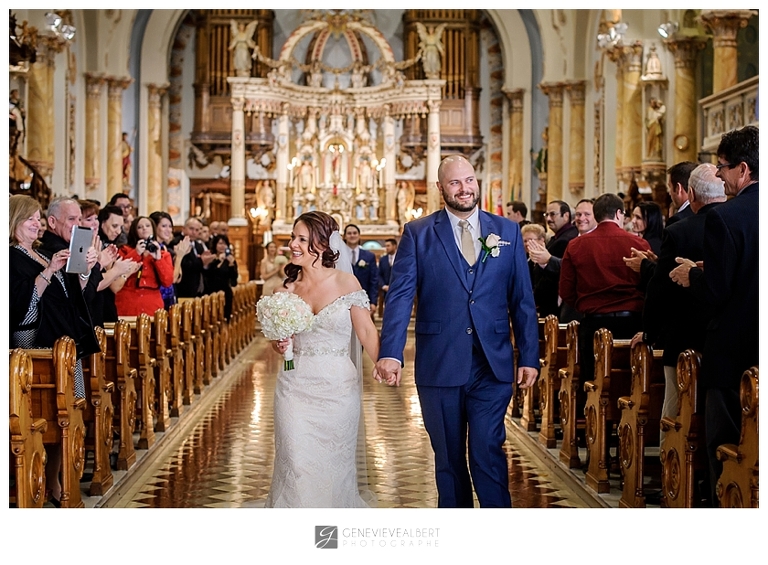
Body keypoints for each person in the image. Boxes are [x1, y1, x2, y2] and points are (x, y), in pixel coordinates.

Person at [375, 154, 539, 508]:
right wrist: (390, 351)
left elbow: (522, 299)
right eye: (455, 183)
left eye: (469, 180)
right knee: (449, 460)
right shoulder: (418, 234)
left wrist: (529, 355)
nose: (464, 189)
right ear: (440, 188)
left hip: (492, 364)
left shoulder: (506, 231)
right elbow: (401, 296)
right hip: (440, 363)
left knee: (487, 451)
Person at [669, 124, 759, 505]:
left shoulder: (726, 217)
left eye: (722, 166)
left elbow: (718, 292)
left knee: (726, 444)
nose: (718, 174)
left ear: (743, 169)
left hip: (733, 351)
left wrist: (694, 274)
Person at [266, 211, 379, 508]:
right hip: (295, 385)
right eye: (293, 237)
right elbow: (278, 342)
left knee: (334, 466)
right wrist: (280, 344)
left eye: (302, 239)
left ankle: (328, 538)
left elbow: (366, 330)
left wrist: (385, 363)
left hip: (338, 387)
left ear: (323, 245)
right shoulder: (285, 290)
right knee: (296, 461)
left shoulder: (346, 283)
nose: (293, 244)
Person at [10, 195, 100, 507]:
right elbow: (21, 307)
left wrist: (83, 271)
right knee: (52, 415)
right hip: (37, 345)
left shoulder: (36, 253)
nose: (36, 224)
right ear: (14, 222)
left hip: (64, 343)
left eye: (38, 218)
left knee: (72, 410)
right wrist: (49, 271)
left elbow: (70, 295)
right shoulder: (12, 257)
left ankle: (56, 476)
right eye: (30, 219)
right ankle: (46, 478)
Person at [631, 163, 726, 457]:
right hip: (723, 334)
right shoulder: (737, 222)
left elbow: (661, 289)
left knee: (676, 405)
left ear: (692, 193)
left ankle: (671, 469)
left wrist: (649, 330)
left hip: (682, 333)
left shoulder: (680, 230)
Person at [559, 193, 650, 384]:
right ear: (619, 214)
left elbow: (566, 290)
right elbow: (649, 284)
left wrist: (586, 303)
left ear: (597, 215)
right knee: (629, 382)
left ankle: (592, 414)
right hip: (632, 324)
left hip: (594, 322)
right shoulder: (638, 244)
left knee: (594, 383)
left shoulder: (576, 245)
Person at [114, 216, 174, 316]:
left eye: (147, 226)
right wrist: (136, 253)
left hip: (152, 304)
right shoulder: (124, 250)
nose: (144, 228)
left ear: (153, 229)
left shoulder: (163, 254)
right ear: (134, 231)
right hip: (127, 302)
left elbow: (167, 281)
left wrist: (158, 259)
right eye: (139, 227)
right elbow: (118, 273)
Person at [150, 210, 190, 310]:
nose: (168, 230)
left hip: (169, 296)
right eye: (164, 226)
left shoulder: (164, 247)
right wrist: (180, 256)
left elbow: (178, 277)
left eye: (170, 226)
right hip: (158, 297)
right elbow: (172, 278)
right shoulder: (153, 249)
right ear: (154, 227)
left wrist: (178, 255)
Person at [171, 217, 215, 298]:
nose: (194, 232)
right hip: (183, 288)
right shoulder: (177, 243)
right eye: (191, 229)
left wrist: (206, 263)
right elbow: (183, 265)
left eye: (197, 230)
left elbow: (201, 267)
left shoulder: (198, 246)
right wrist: (201, 261)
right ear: (183, 229)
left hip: (197, 288)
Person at [343, 224, 378, 316]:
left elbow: (373, 280)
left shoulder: (369, 256)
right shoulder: (339, 256)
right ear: (345, 236)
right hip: (342, 300)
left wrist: (373, 302)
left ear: (359, 235)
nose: (352, 235)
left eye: (355, 233)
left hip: (364, 299)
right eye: (349, 233)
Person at [204, 234, 238, 321]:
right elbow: (208, 273)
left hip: (225, 291)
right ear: (215, 245)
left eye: (224, 244)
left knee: (225, 317)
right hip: (211, 290)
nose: (222, 246)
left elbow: (234, 279)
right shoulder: (211, 258)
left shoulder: (230, 259)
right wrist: (219, 260)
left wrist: (231, 265)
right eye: (220, 243)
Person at [666, 161, 698, 226]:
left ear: (678, 188)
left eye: (670, 187)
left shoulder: (677, 220)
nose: (669, 193)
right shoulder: (709, 213)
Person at [377, 238, 397, 309]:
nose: (386, 248)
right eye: (386, 246)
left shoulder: (400, 259)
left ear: (394, 246)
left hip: (398, 289)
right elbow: (379, 274)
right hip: (386, 290)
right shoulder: (383, 259)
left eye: (388, 246)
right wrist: (383, 286)